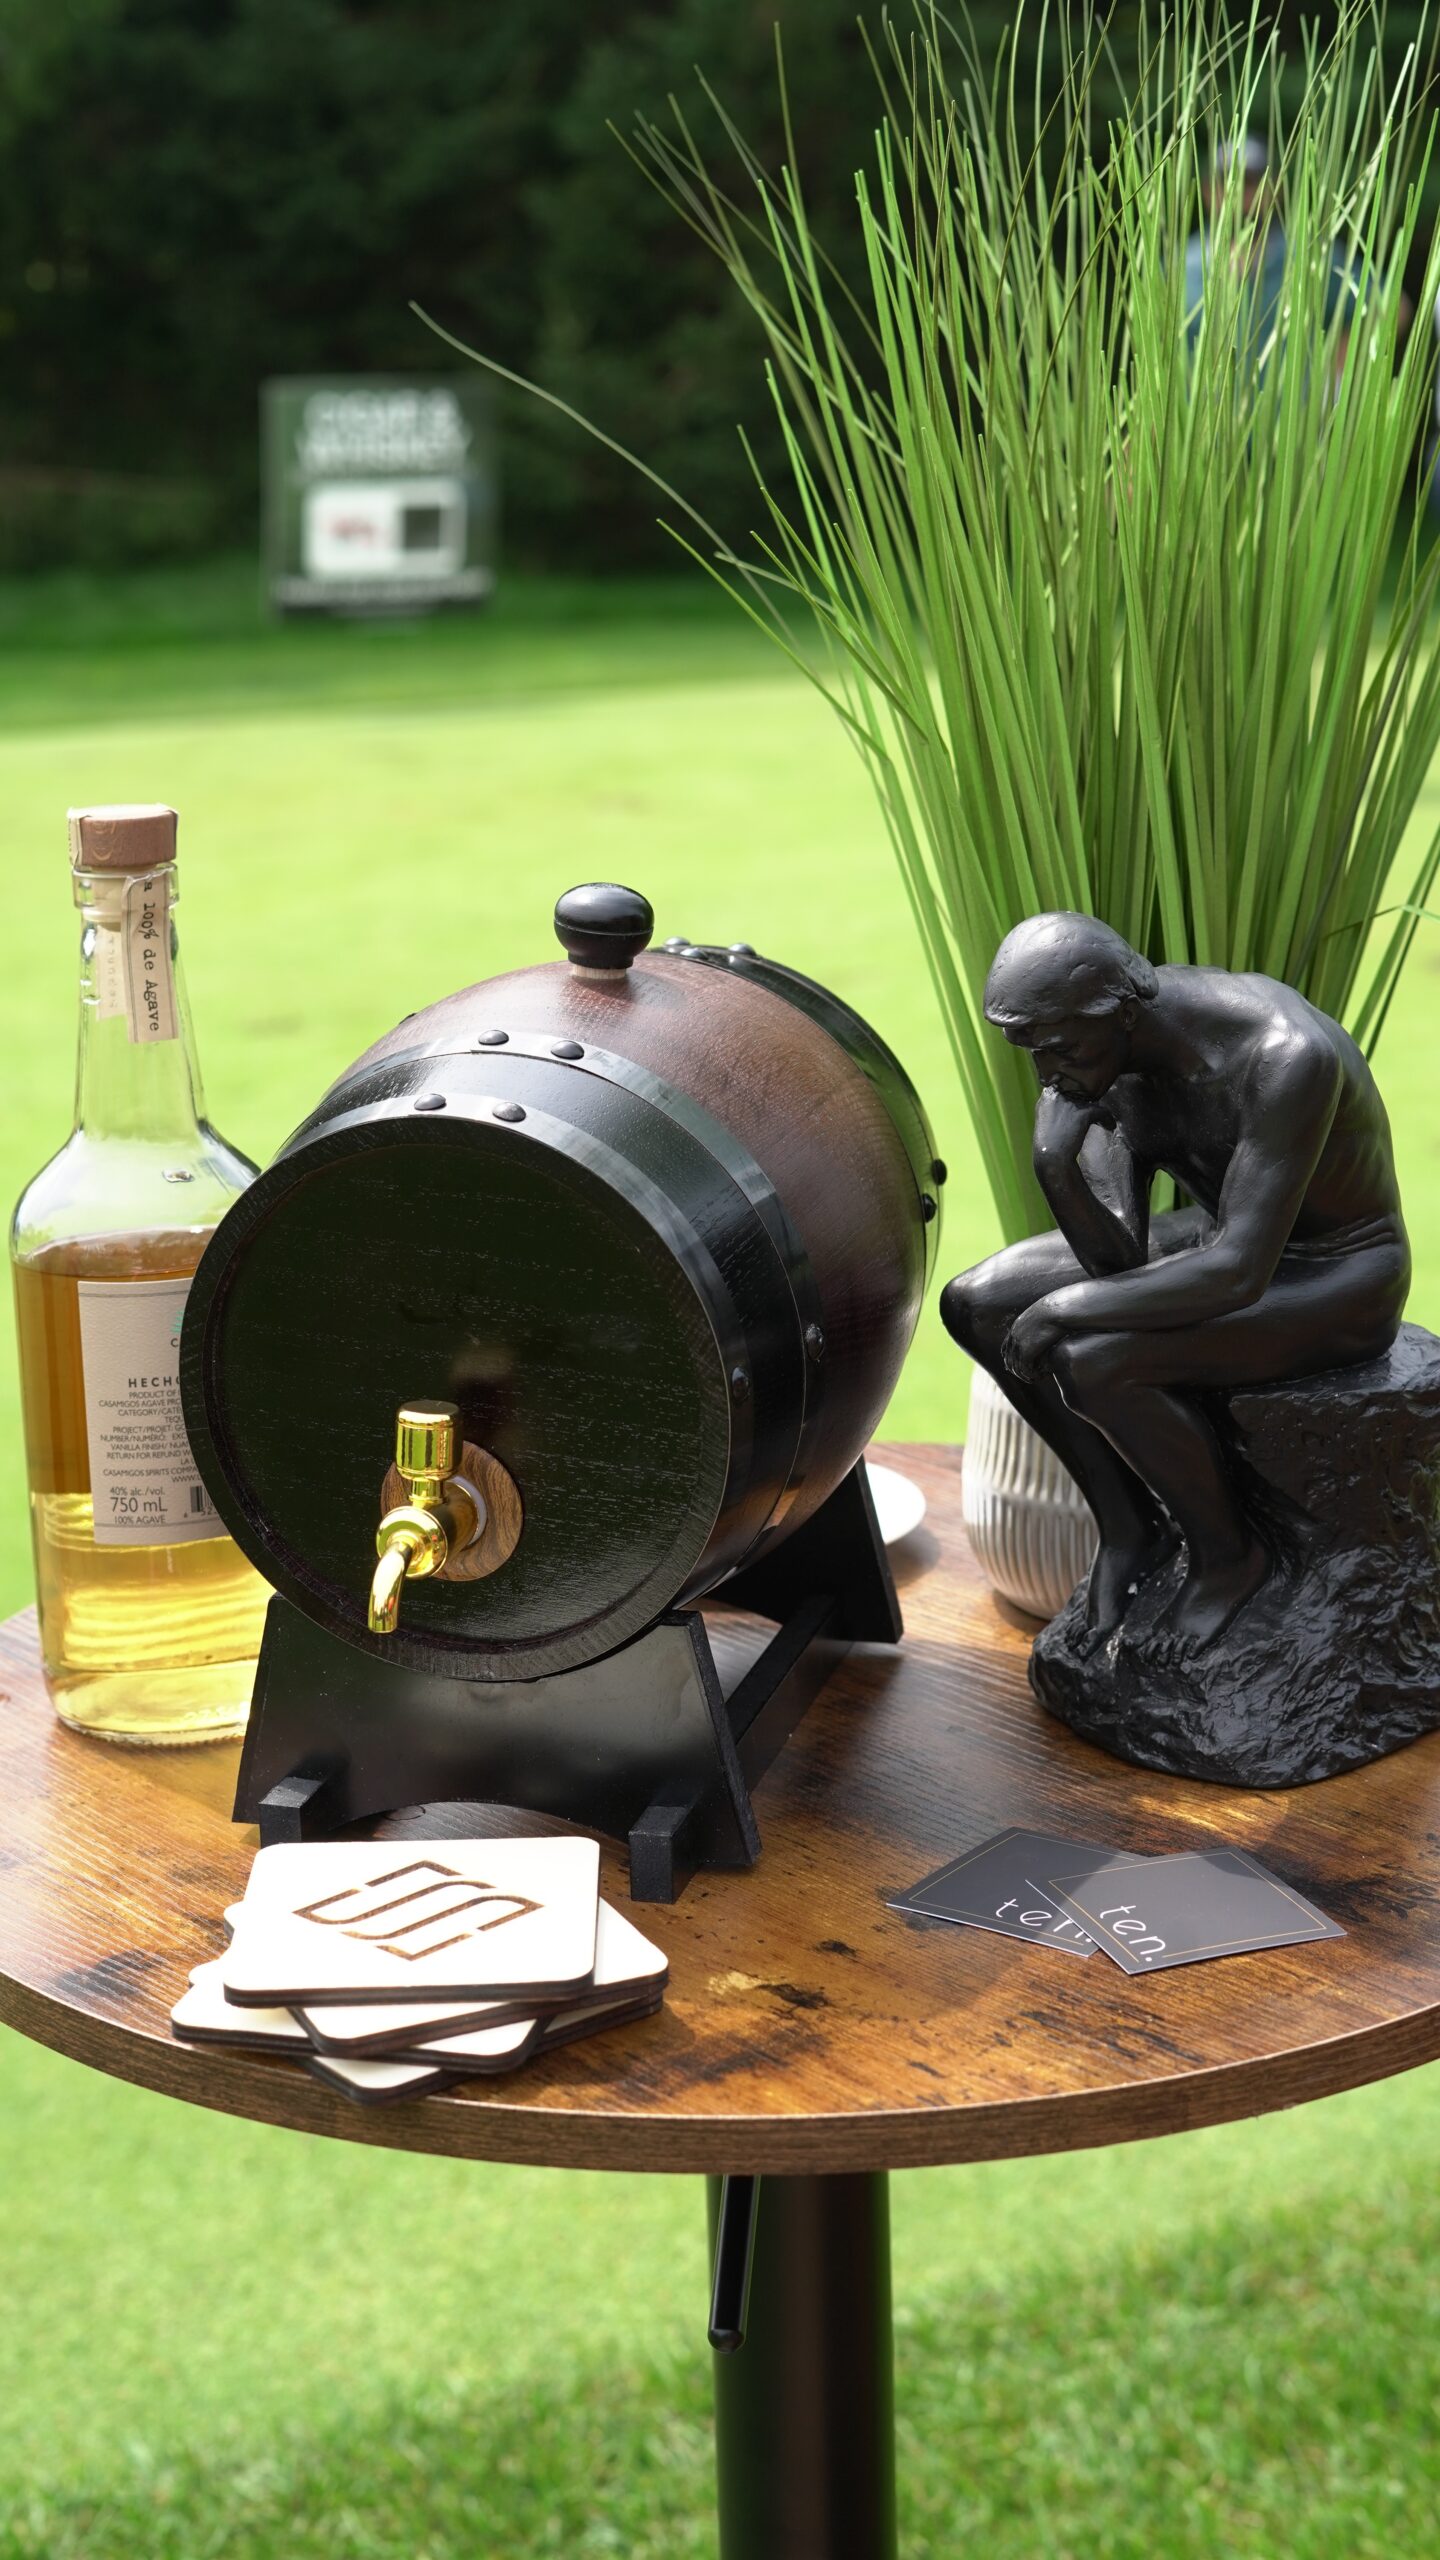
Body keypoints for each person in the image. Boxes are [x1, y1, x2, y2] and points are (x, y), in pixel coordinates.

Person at [942, 916, 1409, 1653]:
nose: (1046, 1073)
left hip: (1338, 1271)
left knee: (1095, 1360)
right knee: (976, 1302)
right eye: (1031, 1051)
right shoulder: (1104, 1058)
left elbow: (1236, 1274)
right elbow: (1120, 1263)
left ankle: (1228, 1557)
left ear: (1123, 1012)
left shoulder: (1284, 1056)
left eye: (1058, 1048)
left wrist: (1063, 1309)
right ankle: (1130, 1530)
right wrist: (1055, 1166)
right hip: (1223, 1239)